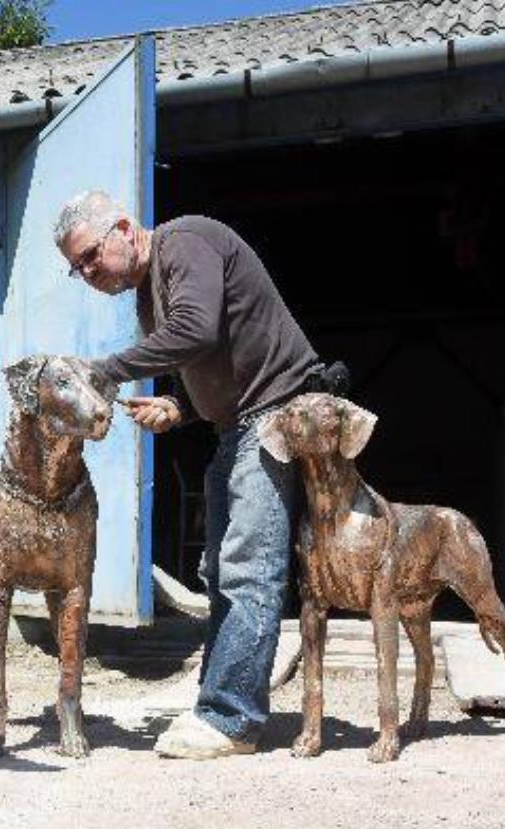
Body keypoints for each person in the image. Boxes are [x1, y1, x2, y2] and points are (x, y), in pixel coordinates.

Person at [55, 190, 325, 759]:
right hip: (237, 424)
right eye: (77, 268)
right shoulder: (149, 293)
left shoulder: (184, 241)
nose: (88, 273)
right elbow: (211, 352)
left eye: (90, 256)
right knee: (221, 569)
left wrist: (105, 370)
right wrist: (177, 406)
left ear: (123, 228)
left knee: (249, 566)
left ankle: (232, 719)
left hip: (273, 412)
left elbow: (196, 329)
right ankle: (217, 702)